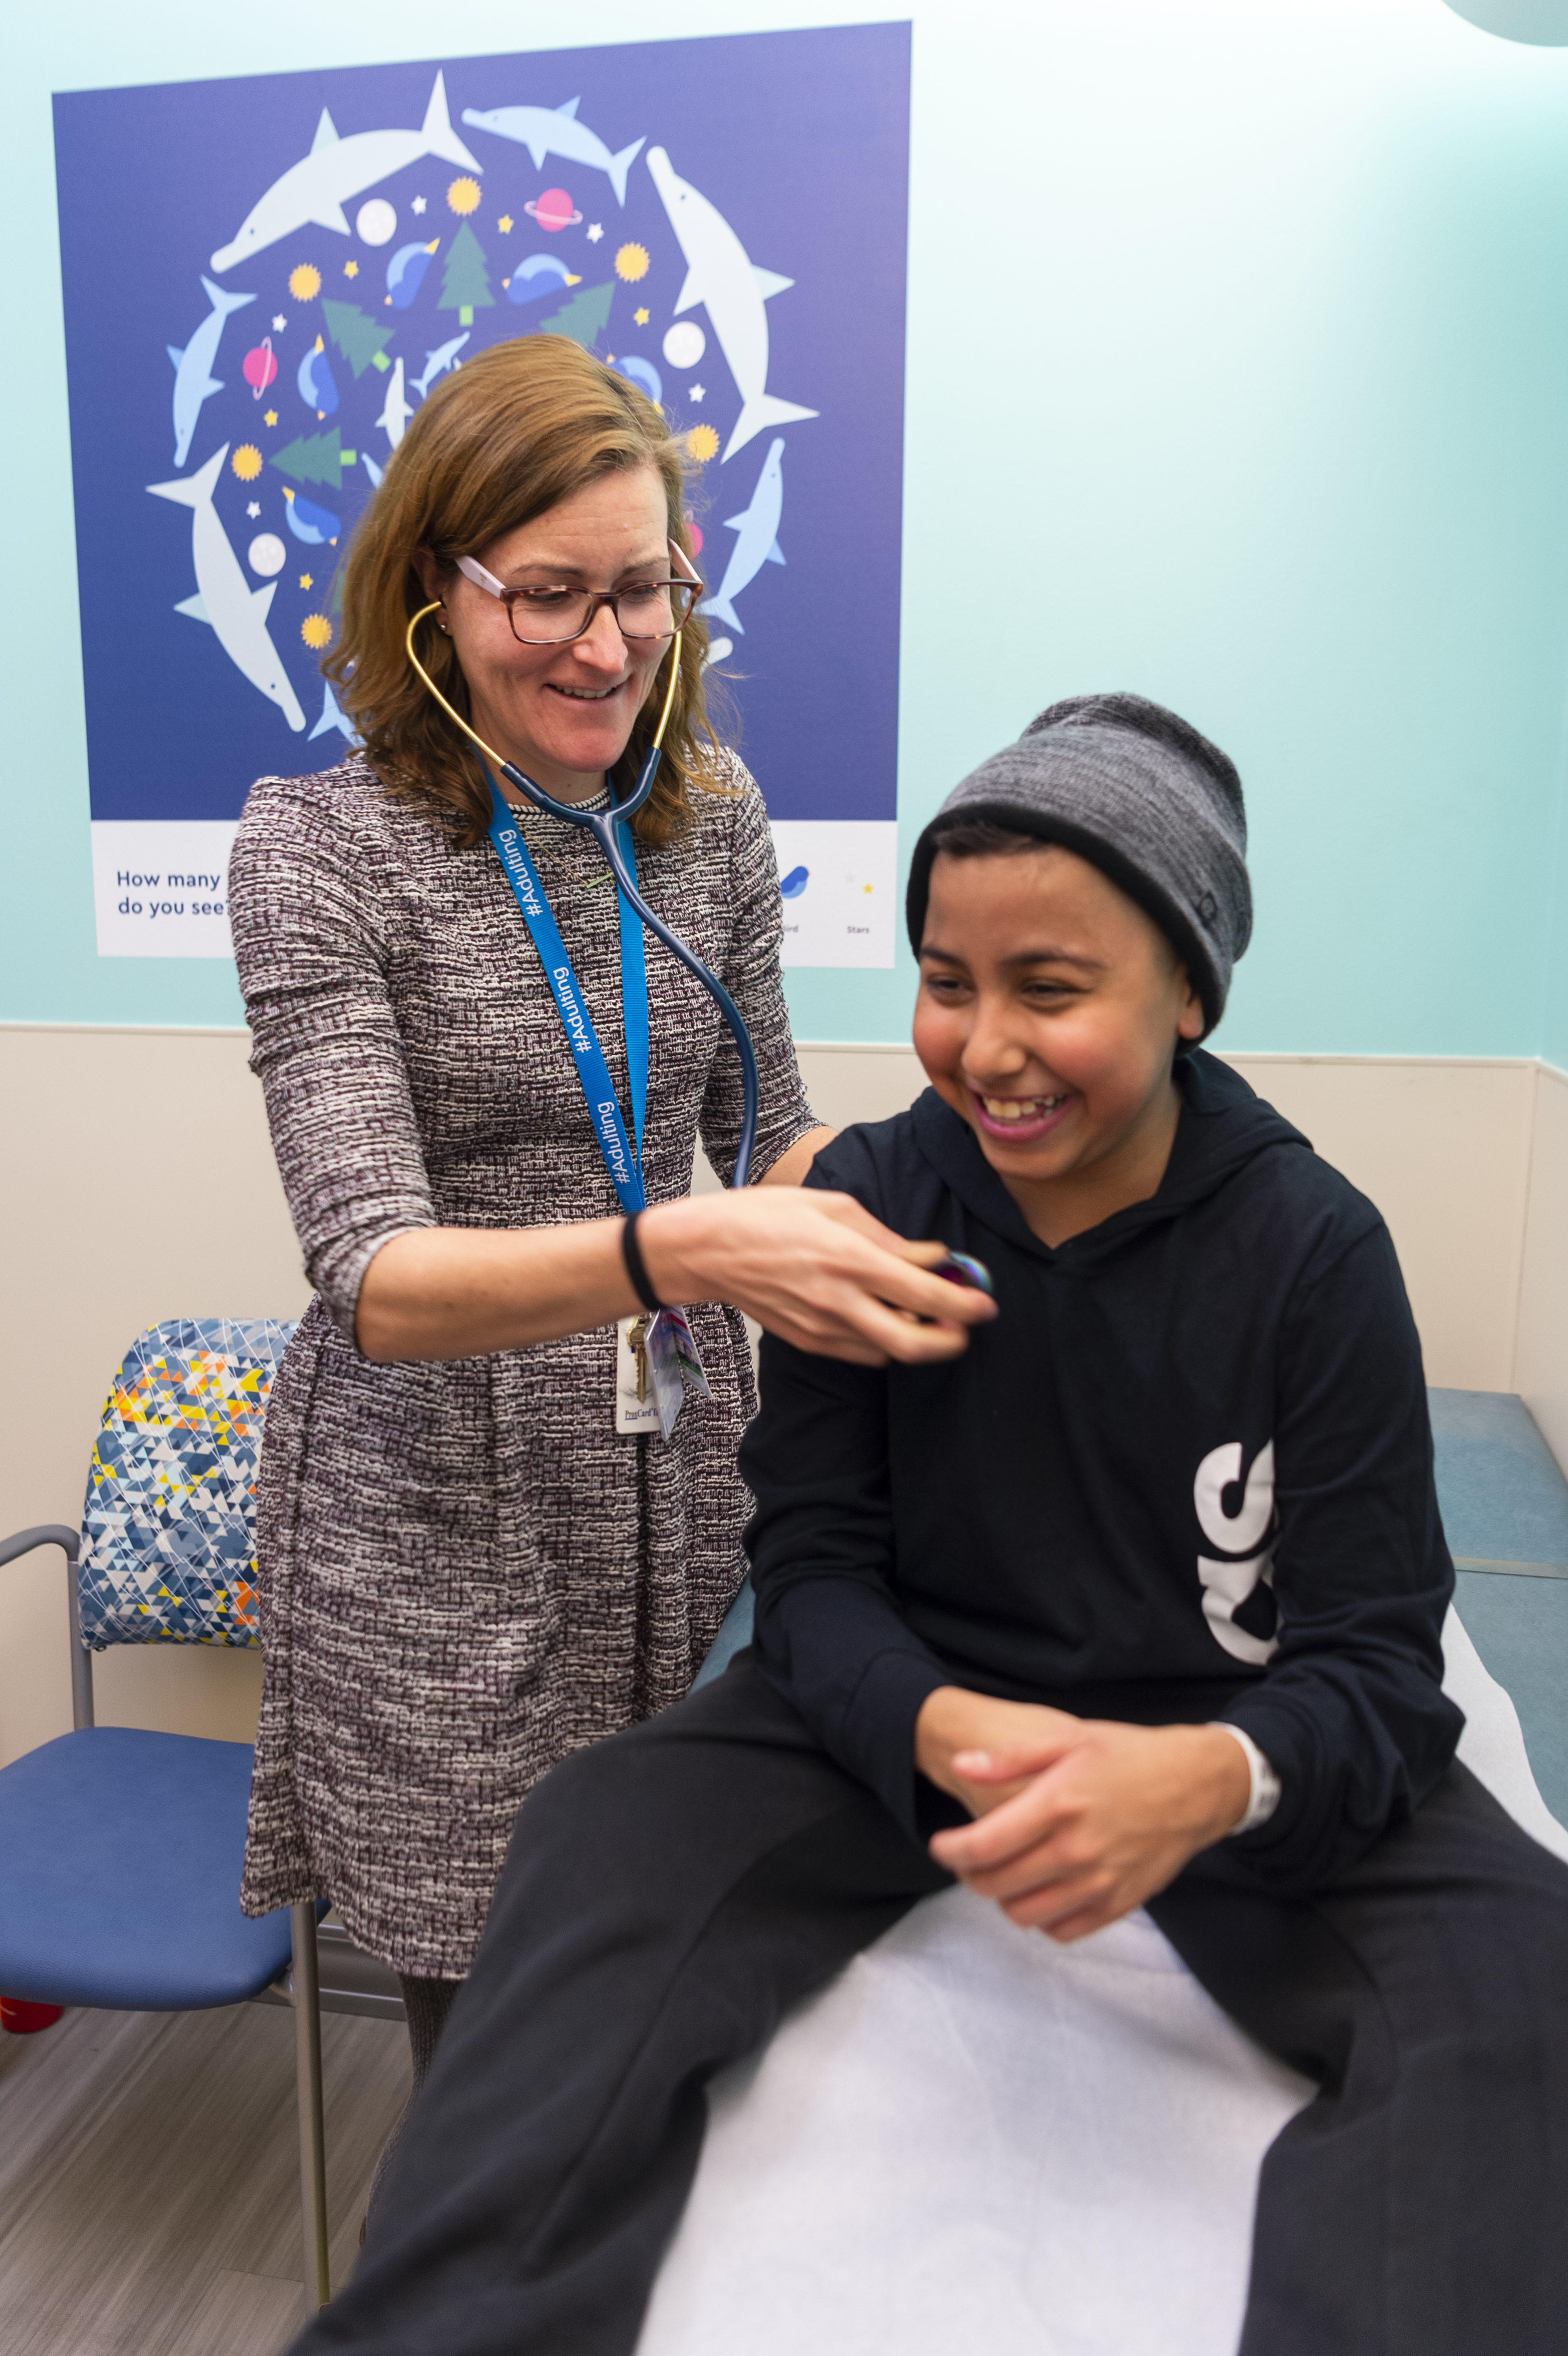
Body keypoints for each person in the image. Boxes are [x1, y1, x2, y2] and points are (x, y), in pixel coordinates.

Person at [290, 694, 1568, 2356]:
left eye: (1050, 988)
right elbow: (812, 1575)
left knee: (1521, 1971)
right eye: (945, 984)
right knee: (597, 1830)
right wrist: (941, 1729)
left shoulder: (1311, 1253)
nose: (985, 1044)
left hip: (1219, 1736)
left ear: (1187, 990)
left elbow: (1380, 1670)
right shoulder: (868, 1212)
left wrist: (1200, 1781)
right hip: (913, 1713)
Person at [226, 336, 992, 2147]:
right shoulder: (320, 851)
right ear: (433, 589)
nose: (604, 644)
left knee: (686, 2000)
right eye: (547, 594)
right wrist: (689, 1251)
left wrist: (977, 1193)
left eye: (639, 587)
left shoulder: (702, 816)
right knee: (503, 2066)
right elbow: (380, 1279)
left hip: (679, 1492)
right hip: (435, 1528)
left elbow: (770, 1129)